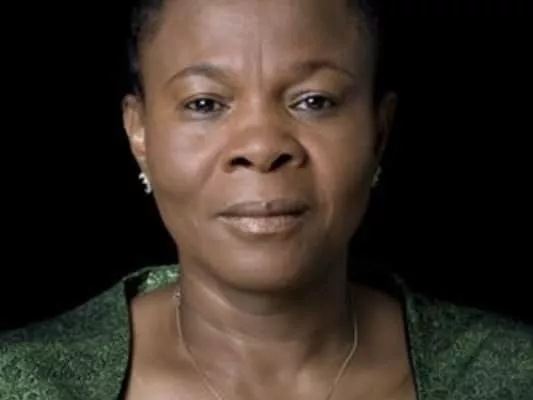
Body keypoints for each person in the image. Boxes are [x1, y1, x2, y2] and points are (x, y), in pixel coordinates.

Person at [1, 0, 532, 399]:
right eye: (205, 103)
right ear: (139, 133)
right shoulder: (25, 380)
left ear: (379, 131)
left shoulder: (511, 374)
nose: (260, 147)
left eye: (314, 100)